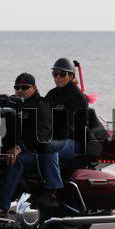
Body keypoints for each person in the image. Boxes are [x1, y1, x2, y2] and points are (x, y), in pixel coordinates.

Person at [0, 73, 54, 216]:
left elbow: (41, 134)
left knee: (17, 161)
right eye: (17, 87)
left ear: (34, 87)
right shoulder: (14, 102)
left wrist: (19, 148)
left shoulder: (41, 104)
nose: (20, 90)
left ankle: (2, 206)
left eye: (24, 87)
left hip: (35, 152)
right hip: (13, 149)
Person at [39, 58, 89, 205]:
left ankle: (53, 190)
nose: (58, 77)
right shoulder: (52, 94)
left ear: (71, 75)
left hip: (73, 142)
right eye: (55, 74)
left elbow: (70, 127)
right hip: (55, 138)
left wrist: (49, 138)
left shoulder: (78, 97)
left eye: (62, 74)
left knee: (50, 147)